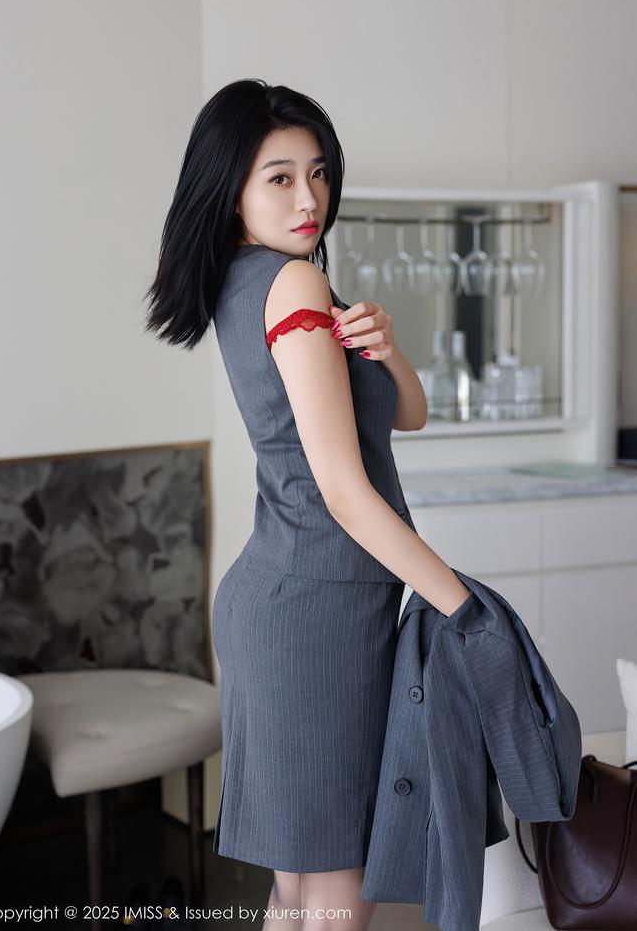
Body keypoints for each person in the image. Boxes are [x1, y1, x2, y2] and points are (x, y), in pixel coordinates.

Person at [144, 79, 471, 931]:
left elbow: (407, 416)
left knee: (301, 894)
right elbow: (344, 491)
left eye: (318, 173)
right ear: (232, 190)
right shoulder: (291, 283)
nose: (309, 198)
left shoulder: (258, 279)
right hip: (317, 614)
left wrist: (386, 350)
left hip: (292, 600)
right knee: (333, 899)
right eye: (280, 177)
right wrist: (462, 606)